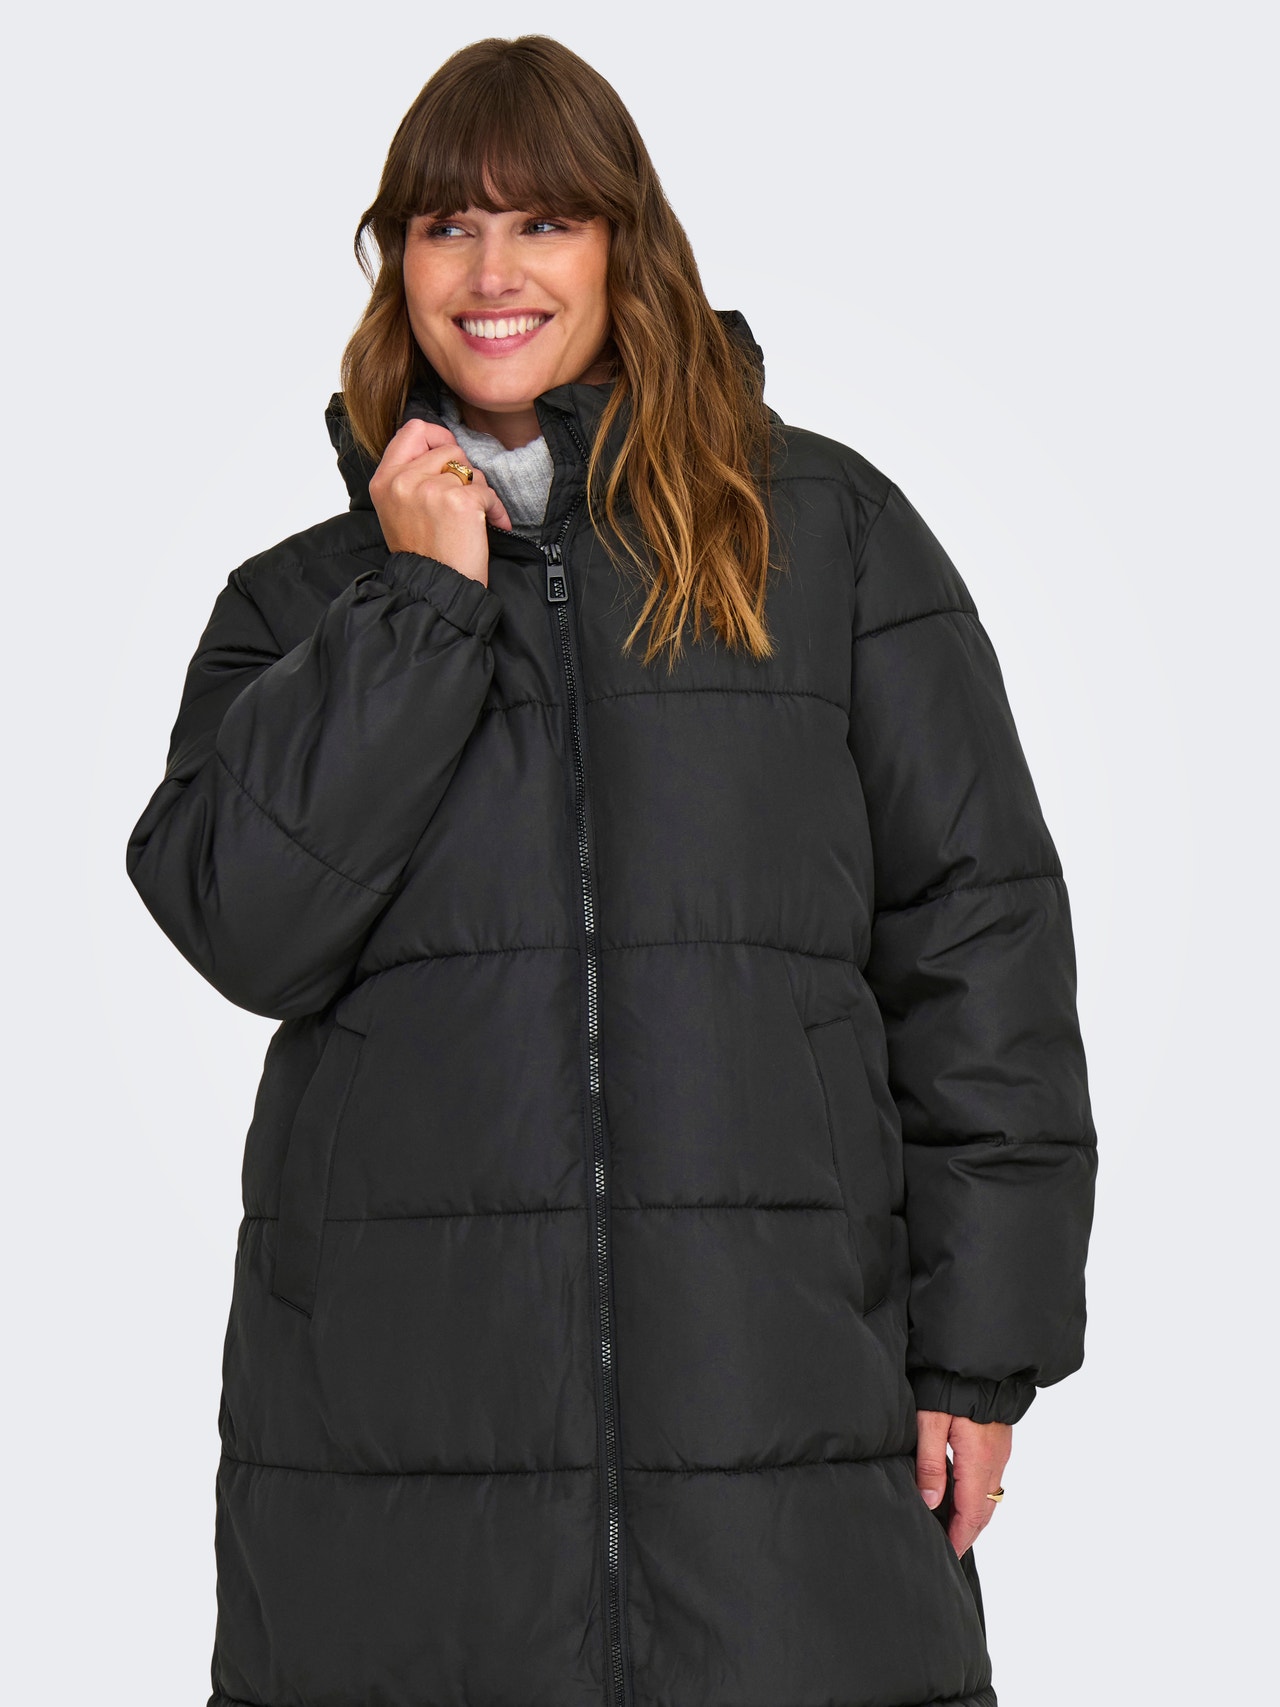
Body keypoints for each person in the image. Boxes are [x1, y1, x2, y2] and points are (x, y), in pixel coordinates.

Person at [127, 33, 1098, 1707]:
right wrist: (421, 607)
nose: (491, 273)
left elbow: (978, 943)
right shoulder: (302, 605)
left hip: (780, 1407)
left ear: (624, 244)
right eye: (446, 226)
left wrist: (982, 1353)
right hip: (400, 1443)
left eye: (544, 221)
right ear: (397, 264)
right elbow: (241, 922)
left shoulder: (826, 536)